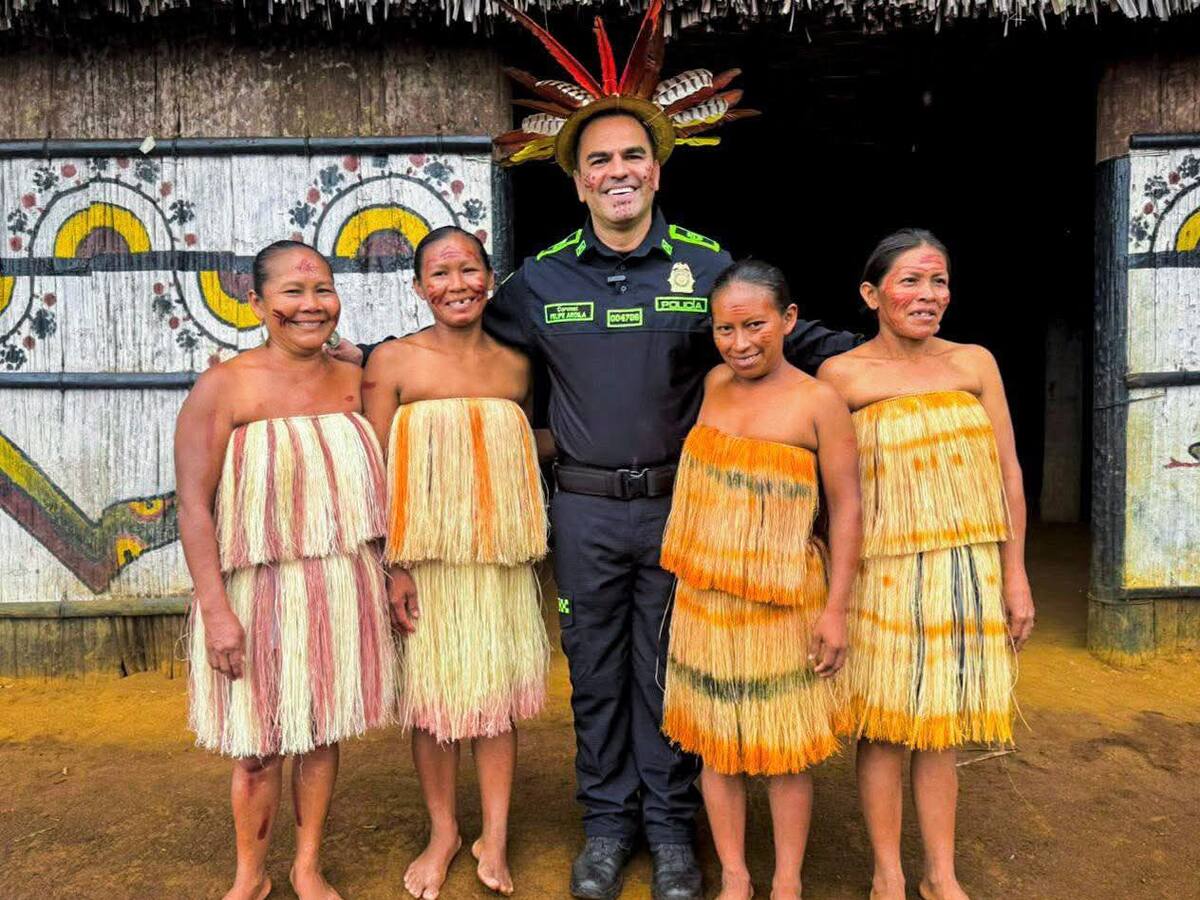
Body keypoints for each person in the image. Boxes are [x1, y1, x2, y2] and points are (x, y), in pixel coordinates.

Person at [333, 6, 858, 897]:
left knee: (669, 673)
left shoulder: (706, 266)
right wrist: (339, 357)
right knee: (597, 675)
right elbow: (455, 339)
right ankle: (607, 829)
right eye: (599, 160)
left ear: (657, 168)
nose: (618, 171)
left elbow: (782, 341)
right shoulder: (538, 280)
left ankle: (674, 833)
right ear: (576, 180)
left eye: (631, 156)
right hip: (578, 509)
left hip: (680, 508)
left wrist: (888, 354)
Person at [817, 229, 1036, 900]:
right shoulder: (842, 376)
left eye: (938, 281)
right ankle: (887, 872)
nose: (927, 295)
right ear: (871, 293)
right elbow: (832, 495)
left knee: (939, 726)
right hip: (881, 570)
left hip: (965, 567)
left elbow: (1008, 474)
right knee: (884, 724)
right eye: (910, 281)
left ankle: (940, 872)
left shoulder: (975, 363)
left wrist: (1016, 573)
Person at [176, 240, 397, 900]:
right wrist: (216, 611)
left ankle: (306, 864)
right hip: (254, 590)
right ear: (257, 303)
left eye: (322, 290)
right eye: (293, 293)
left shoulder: (358, 381)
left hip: (339, 582)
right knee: (256, 745)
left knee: (321, 731)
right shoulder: (225, 386)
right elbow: (192, 505)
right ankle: (251, 873)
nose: (310, 305)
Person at [659, 260, 862, 900]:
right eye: (725, 328)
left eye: (755, 325)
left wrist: (835, 610)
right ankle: (737, 878)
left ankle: (787, 882)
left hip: (784, 598)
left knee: (783, 747)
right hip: (705, 596)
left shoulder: (819, 401)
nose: (741, 343)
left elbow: (849, 508)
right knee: (717, 745)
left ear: (788, 320)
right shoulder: (715, 383)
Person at [363, 226, 550, 900]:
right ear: (419, 287)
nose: (456, 285)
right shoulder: (391, 362)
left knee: (496, 702)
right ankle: (443, 830)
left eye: (468, 270)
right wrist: (391, 565)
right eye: (439, 274)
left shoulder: (515, 365)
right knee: (434, 703)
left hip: (497, 559)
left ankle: (493, 834)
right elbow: (372, 468)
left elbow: (526, 450)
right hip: (427, 563)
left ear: (490, 279)